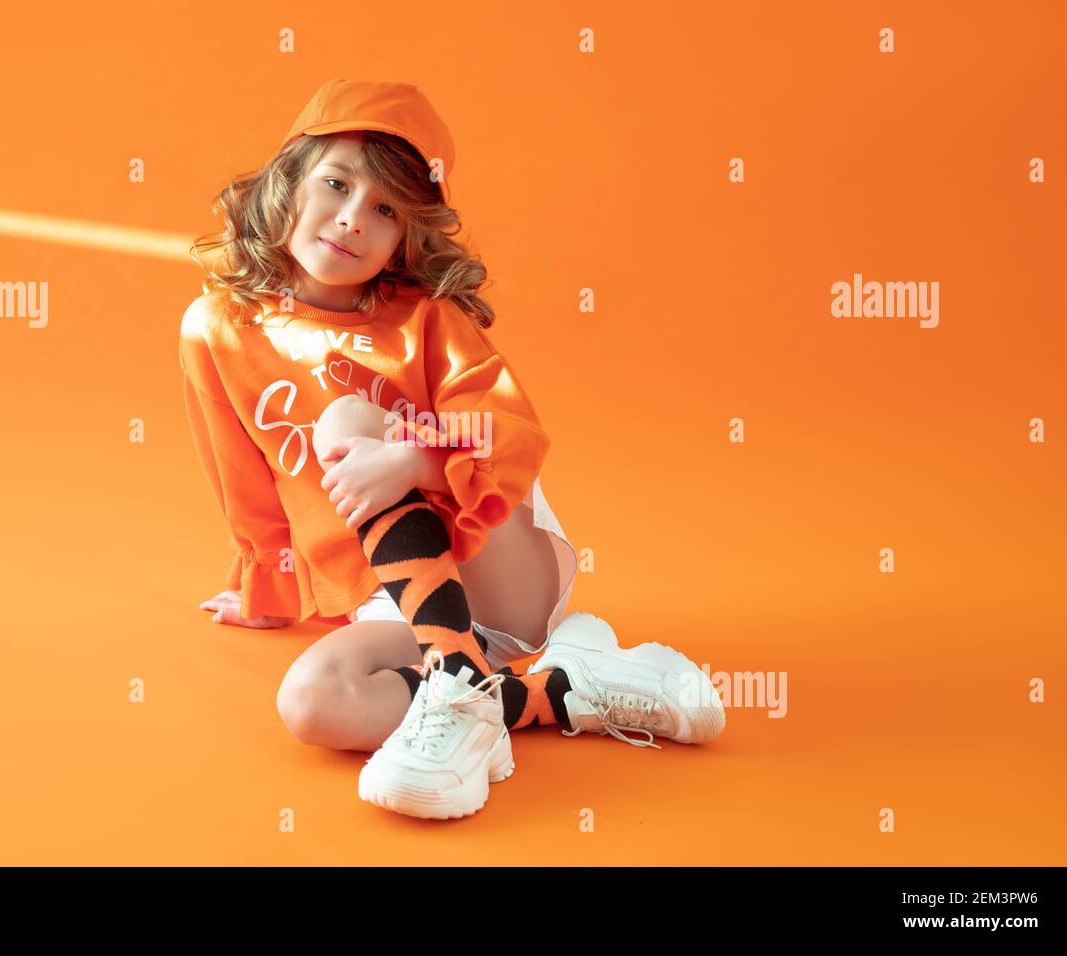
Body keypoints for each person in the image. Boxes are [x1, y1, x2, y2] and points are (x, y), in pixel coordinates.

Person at [179, 79, 725, 821]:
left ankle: (462, 682)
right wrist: (266, 588)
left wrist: (414, 460)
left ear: (408, 234)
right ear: (290, 182)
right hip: (392, 600)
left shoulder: (426, 320)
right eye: (335, 184)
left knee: (347, 419)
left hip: (497, 564)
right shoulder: (217, 327)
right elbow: (243, 474)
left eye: (385, 211)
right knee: (312, 703)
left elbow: (509, 432)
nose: (350, 221)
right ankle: (553, 695)